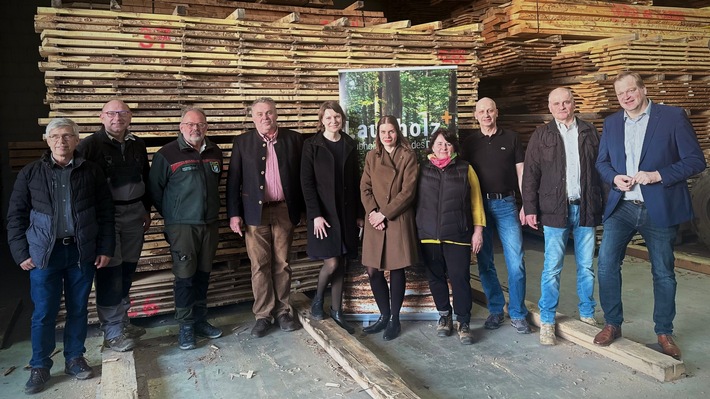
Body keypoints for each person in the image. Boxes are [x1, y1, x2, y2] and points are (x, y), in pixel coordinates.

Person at [593, 71, 706, 359]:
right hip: (622, 207)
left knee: (664, 272)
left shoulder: (672, 117)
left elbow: (696, 160)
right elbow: (602, 163)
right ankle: (612, 323)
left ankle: (664, 331)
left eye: (630, 91)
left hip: (659, 208)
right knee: (606, 265)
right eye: (620, 94)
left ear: (643, 90)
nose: (626, 97)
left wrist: (659, 175)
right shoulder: (612, 123)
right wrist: (615, 178)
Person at [7, 118, 115, 395]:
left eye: (67, 136)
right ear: (47, 140)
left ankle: (74, 359)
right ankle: (40, 365)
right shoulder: (31, 173)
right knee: (44, 312)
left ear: (77, 140)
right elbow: (16, 216)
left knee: (78, 308)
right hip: (45, 254)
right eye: (55, 136)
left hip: (80, 252)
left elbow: (105, 213)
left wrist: (104, 248)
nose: (61, 141)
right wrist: (21, 252)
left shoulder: (91, 172)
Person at [522, 87, 603, 346]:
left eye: (566, 102)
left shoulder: (589, 131)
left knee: (587, 266)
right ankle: (547, 320)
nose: (561, 107)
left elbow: (602, 170)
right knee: (552, 267)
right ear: (550, 107)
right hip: (554, 209)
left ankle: (588, 315)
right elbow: (530, 174)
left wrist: (606, 206)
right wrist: (530, 207)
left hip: (585, 207)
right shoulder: (541, 134)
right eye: (556, 103)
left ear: (573, 103)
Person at [76, 99, 151, 352]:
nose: (117, 118)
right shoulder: (89, 146)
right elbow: (77, 184)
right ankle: (112, 332)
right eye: (111, 113)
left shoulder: (137, 144)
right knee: (109, 273)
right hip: (106, 217)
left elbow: (146, 178)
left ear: (130, 116)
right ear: (101, 117)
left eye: (122, 113)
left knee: (127, 269)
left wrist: (146, 209)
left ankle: (123, 321)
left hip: (134, 212)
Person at [227, 97, 304, 338]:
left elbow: (304, 177)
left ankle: (283, 311)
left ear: (276, 114)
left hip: (284, 209)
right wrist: (234, 214)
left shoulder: (294, 139)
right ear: (252, 117)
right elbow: (233, 181)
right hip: (254, 212)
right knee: (259, 264)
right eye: (259, 114)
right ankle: (263, 315)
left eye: (269, 113)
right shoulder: (242, 142)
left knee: (282, 263)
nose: (265, 118)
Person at [149, 107, 224, 350]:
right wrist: (175, 215)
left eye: (200, 124)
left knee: (203, 275)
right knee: (185, 277)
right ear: (181, 127)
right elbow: (156, 192)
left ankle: (201, 320)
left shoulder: (214, 152)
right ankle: (186, 326)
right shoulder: (167, 154)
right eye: (190, 124)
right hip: (182, 227)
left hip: (209, 225)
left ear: (206, 127)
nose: (195, 128)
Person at [461, 98, 531, 334]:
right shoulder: (469, 143)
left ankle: (518, 312)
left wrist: (527, 204)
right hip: (479, 208)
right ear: (476, 115)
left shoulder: (510, 138)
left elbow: (521, 172)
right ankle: (495, 309)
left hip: (507, 204)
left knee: (516, 262)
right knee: (485, 262)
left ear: (496, 112)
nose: (486, 114)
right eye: (481, 111)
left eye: (490, 110)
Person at [416, 128, 485, 345]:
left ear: (453, 147)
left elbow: (476, 202)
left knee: (460, 278)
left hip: (457, 234)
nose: (443, 148)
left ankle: (463, 321)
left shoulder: (466, 169)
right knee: (435, 278)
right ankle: (444, 315)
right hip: (428, 235)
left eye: (447, 144)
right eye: (439, 144)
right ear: (432, 147)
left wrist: (478, 231)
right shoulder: (421, 169)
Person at [301, 101, 363, 334]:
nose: (333, 121)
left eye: (337, 117)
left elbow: (356, 181)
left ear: (342, 119)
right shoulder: (311, 145)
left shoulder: (349, 143)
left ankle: (337, 311)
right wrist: (315, 215)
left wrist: (359, 214)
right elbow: (306, 183)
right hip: (323, 215)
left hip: (346, 213)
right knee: (332, 262)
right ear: (322, 120)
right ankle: (318, 300)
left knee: (342, 263)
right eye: (328, 117)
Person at [359, 116, 418, 341]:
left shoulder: (408, 156)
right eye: (383, 132)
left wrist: (385, 213)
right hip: (375, 219)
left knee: (396, 269)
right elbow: (365, 187)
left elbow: (408, 192)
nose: (387, 136)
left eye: (391, 131)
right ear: (378, 134)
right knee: (373, 270)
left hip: (397, 218)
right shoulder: (371, 156)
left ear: (397, 132)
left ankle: (394, 319)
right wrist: (374, 213)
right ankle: (383, 315)